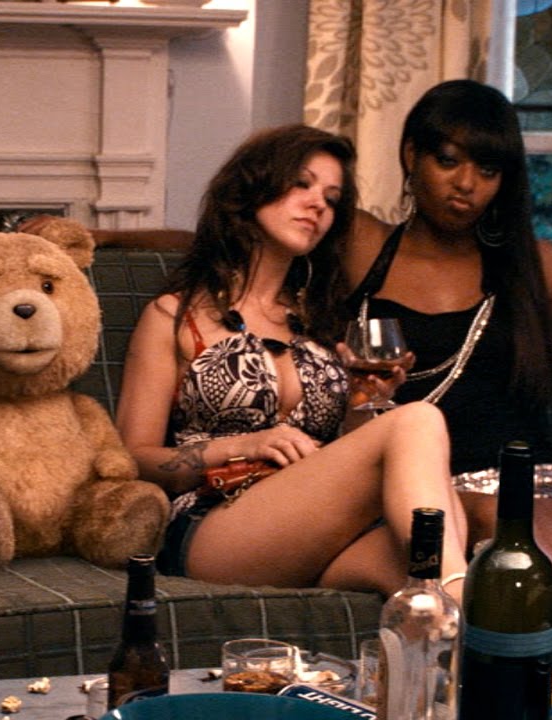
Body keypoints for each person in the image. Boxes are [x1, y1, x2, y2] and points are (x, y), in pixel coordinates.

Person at [114, 124, 474, 602]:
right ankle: (468, 591)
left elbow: (338, 453)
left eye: (331, 198)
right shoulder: (175, 316)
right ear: (252, 188)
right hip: (214, 524)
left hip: (309, 530)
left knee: (424, 574)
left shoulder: (320, 322)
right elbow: (133, 459)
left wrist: (363, 402)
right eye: (301, 184)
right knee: (420, 419)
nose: (318, 204)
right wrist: (245, 444)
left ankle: (480, 610)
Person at [342, 79, 552, 579]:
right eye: (448, 161)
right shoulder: (361, 244)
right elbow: (256, 230)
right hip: (408, 486)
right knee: (478, 522)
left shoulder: (533, 267)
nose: (466, 184)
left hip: (525, 482)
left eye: (487, 170)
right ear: (411, 156)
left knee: (513, 527)